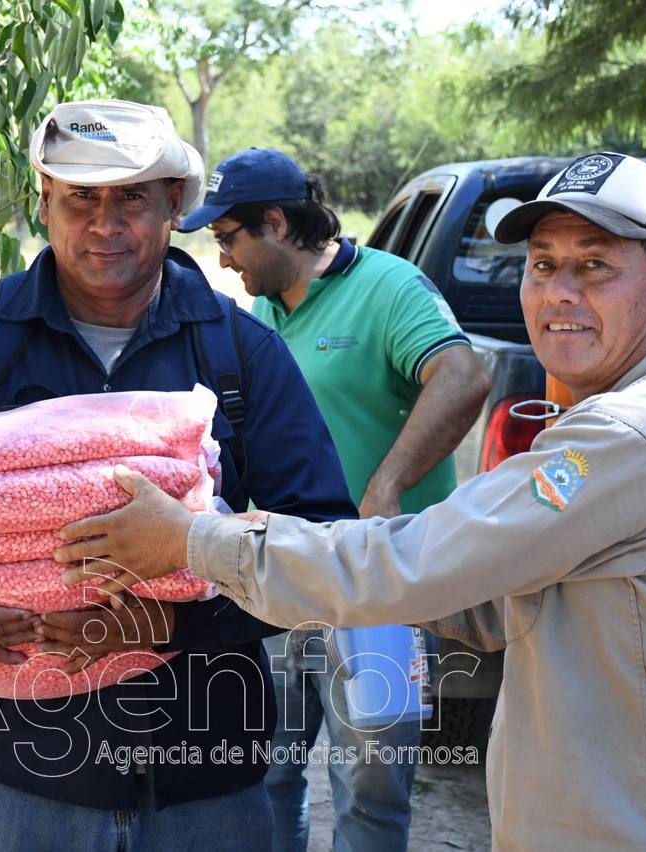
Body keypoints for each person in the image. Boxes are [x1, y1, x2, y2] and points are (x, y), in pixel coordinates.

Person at [55, 152, 646, 850]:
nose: (559, 294)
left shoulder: (633, 436)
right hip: (640, 805)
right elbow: (494, 591)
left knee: (372, 781)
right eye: (543, 266)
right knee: (283, 773)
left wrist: (195, 542)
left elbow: (424, 560)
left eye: (595, 266)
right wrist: (277, 539)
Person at [0, 98, 358, 851]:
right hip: (24, 776)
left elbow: (325, 537)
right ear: (44, 201)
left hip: (205, 776)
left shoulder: (242, 356)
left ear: (174, 202)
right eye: (81, 198)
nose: (106, 224)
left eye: (131, 197)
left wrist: (176, 622)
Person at [177, 147, 490, 852]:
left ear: (279, 223)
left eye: (229, 238)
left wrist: (386, 487)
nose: (223, 259)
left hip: (381, 589)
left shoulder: (390, 287)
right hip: (283, 576)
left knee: (374, 793)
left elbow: (463, 377)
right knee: (268, 774)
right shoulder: (262, 309)